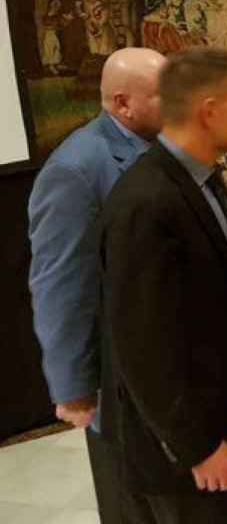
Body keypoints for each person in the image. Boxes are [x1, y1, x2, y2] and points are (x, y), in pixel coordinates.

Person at [99, 48, 227, 524]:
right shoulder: (144, 203)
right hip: (194, 455)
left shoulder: (203, 179)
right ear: (207, 111)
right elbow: (140, 346)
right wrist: (198, 446)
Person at [28, 48, 165, 524]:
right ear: (123, 104)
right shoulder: (75, 170)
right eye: (162, 92)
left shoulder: (161, 147)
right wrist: (73, 386)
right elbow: (60, 286)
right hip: (120, 383)